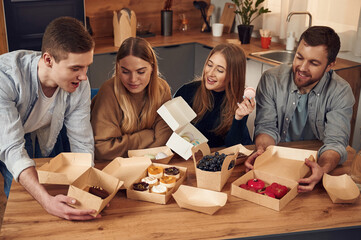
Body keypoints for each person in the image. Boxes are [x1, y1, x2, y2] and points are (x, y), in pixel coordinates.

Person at [0, 16, 97, 220]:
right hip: (8, 136)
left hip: (46, 129)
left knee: (58, 194)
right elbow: (12, 149)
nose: (84, 76)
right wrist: (45, 200)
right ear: (48, 60)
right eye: (75, 68)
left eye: (87, 66)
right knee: (23, 205)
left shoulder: (79, 83)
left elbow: (82, 141)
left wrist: (89, 190)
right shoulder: (5, 77)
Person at [245, 26, 355, 192]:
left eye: (314, 63)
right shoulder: (271, 79)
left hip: (315, 164)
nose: (302, 68)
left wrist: (322, 170)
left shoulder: (340, 91)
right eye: (299, 57)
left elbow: (336, 142)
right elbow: (266, 127)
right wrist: (261, 152)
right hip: (275, 161)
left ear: (329, 66)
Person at [91, 37, 172, 160]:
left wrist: (126, 147)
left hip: (151, 165)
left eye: (140, 72)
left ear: (152, 68)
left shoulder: (162, 89)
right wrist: (148, 136)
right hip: (113, 167)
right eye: (125, 72)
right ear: (118, 68)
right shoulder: (108, 92)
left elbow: (164, 141)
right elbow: (102, 149)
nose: (133, 79)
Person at [174, 43, 255, 148]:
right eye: (210, 65)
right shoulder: (187, 92)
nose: (210, 73)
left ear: (233, 75)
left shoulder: (240, 100)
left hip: (222, 156)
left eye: (220, 70)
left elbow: (233, 147)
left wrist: (239, 118)